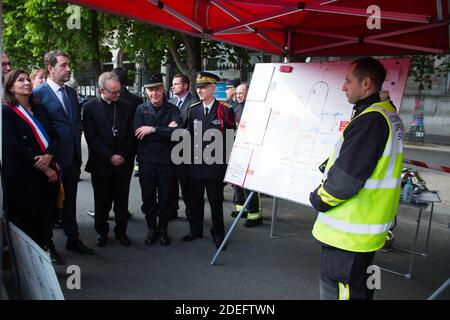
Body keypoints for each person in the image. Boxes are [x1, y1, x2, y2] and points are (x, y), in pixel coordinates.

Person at [309, 57, 404, 300]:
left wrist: (318, 199)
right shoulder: (385, 112)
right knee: (360, 288)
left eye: (348, 81)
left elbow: (346, 181)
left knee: (343, 291)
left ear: (366, 83)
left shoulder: (371, 120)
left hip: (349, 234)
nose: (343, 86)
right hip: (364, 229)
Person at [33, 50, 93, 255]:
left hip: (73, 157)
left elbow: (74, 123)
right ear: (50, 68)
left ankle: (72, 238)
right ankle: (48, 246)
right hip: (53, 160)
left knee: (70, 201)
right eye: (63, 65)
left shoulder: (70, 93)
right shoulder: (38, 95)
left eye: (68, 65)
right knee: (49, 204)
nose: (68, 69)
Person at [2, 70, 60, 255]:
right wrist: (44, 168)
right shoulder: (6, 111)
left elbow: (55, 136)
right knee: (28, 223)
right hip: (24, 177)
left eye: (28, 79)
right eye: (21, 80)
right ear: (11, 87)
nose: (27, 82)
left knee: (45, 219)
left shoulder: (40, 109)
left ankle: (45, 251)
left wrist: (49, 156)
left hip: (47, 173)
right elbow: (13, 145)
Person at [181, 72, 236, 250]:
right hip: (196, 166)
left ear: (213, 88)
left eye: (204, 87)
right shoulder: (193, 109)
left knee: (215, 203)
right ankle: (195, 230)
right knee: (195, 201)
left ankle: (218, 233)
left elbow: (230, 140)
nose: (200, 90)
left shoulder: (225, 110)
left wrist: (226, 168)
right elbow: (188, 137)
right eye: (198, 87)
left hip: (215, 167)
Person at [83, 72, 135, 247]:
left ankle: (121, 232)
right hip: (101, 163)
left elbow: (130, 135)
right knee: (102, 201)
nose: (117, 95)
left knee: (122, 200)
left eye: (118, 91)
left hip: (123, 162)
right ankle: (101, 231)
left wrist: (122, 155)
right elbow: (92, 137)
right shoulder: (90, 107)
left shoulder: (127, 106)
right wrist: (109, 156)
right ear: (101, 90)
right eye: (113, 92)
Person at [134, 73, 181, 247]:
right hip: (146, 162)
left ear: (163, 89)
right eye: (150, 90)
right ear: (146, 92)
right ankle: (151, 228)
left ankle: (163, 229)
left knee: (165, 199)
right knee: (148, 199)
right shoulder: (140, 109)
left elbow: (177, 134)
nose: (154, 93)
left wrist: (152, 130)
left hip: (166, 163)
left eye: (157, 89)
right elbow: (138, 134)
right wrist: (164, 131)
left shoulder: (173, 109)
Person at [230, 83, 262, 227]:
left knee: (249, 185)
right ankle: (240, 208)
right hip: (236, 150)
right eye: (237, 93)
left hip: (251, 151)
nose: (238, 96)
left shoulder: (256, 110)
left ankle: (254, 215)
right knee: (236, 181)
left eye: (241, 93)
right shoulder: (235, 108)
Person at [168, 73, 199, 220]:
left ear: (185, 85)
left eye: (176, 84)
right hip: (170, 150)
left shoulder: (194, 102)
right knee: (170, 183)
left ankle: (192, 213)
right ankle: (172, 210)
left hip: (186, 151)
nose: (173, 86)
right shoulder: (171, 101)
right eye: (173, 84)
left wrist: (174, 129)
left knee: (187, 186)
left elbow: (195, 130)